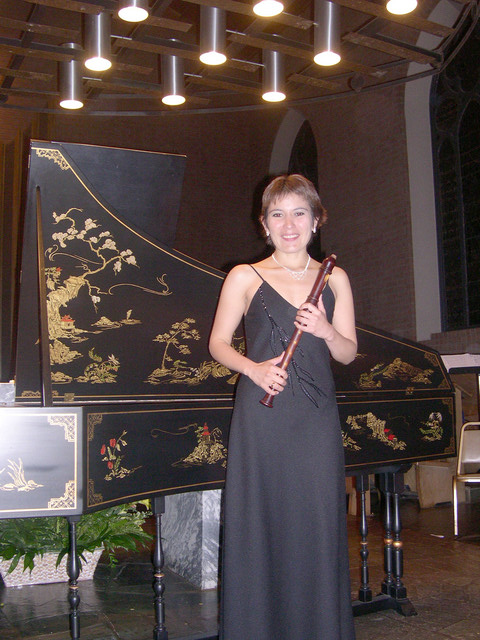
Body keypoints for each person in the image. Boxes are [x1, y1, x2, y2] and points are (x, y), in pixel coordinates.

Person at [209, 174, 357, 640]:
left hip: (315, 419)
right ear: (264, 224)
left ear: (317, 220)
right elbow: (217, 344)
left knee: (317, 520)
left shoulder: (336, 278)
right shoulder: (244, 276)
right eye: (277, 214)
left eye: (299, 213)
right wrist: (252, 370)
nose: (288, 224)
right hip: (263, 415)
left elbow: (347, 352)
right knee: (262, 521)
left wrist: (326, 330)